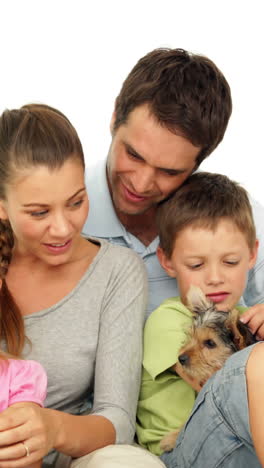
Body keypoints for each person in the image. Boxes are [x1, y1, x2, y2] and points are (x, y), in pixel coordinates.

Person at [0, 103, 158, 468]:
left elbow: (117, 420)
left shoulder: (116, 272)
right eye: (39, 212)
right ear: (3, 206)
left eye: (76, 202)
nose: (63, 228)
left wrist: (52, 429)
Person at [83, 47, 264, 325]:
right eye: (133, 155)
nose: (141, 184)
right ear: (115, 114)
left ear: (199, 162)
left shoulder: (237, 216)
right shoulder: (56, 215)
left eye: (169, 171)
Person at [136, 172, 264, 467]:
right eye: (196, 264)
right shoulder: (168, 320)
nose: (215, 278)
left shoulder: (248, 318)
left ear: (252, 254)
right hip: (179, 452)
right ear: (167, 261)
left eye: (230, 262)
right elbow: (213, 383)